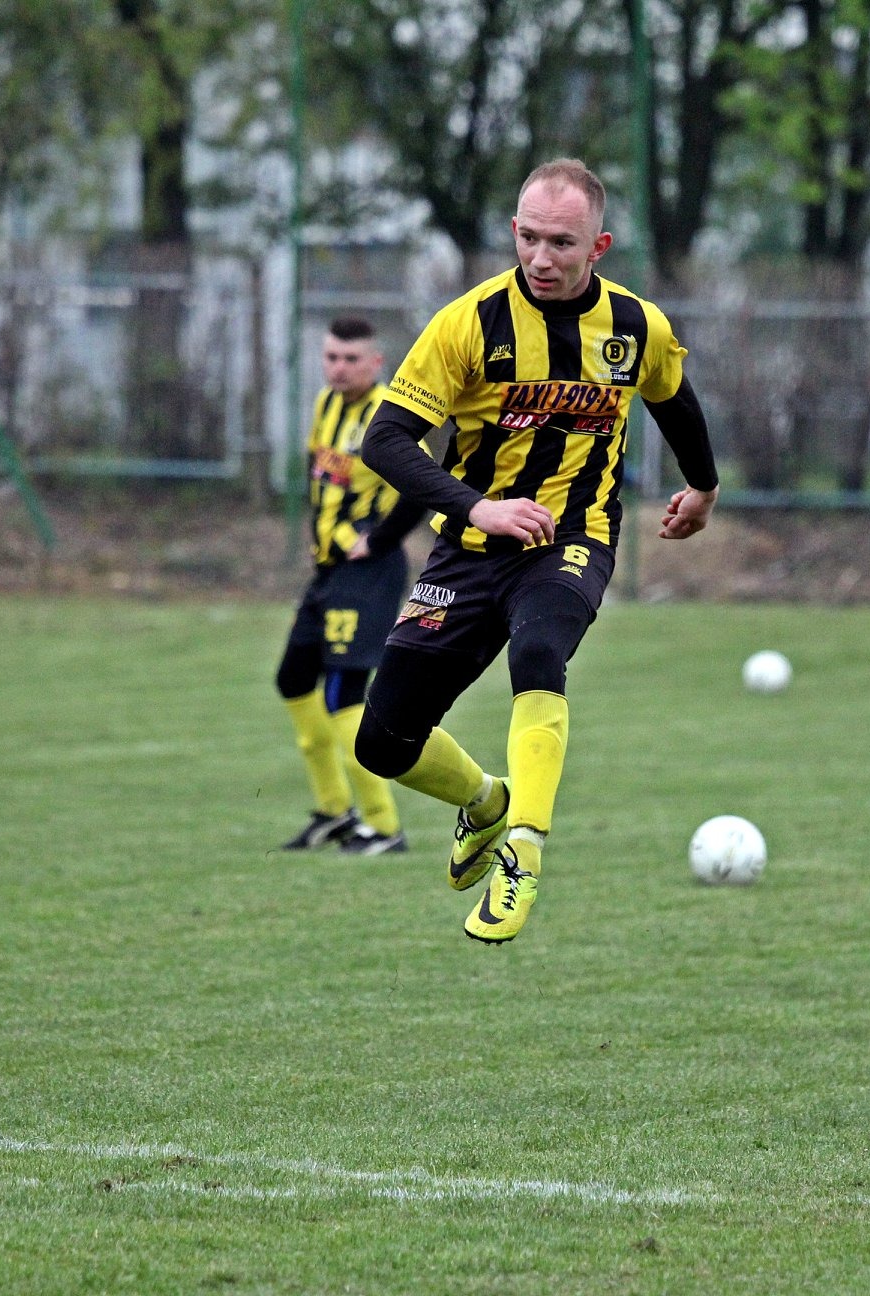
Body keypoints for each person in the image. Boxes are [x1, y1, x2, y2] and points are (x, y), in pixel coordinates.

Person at [354, 158, 721, 944]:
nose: (541, 258)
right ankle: (486, 802)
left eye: (562, 242)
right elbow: (383, 442)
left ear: (600, 246)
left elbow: (674, 400)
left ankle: (523, 847)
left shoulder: (634, 326)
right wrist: (480, 506)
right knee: (382, 744)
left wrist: (704, 487)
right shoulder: (467, 324)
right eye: (528, 237)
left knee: (540, 655)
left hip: (572, 535)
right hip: (467, 548)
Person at [275, 317, 427, 856]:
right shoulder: (325, 405)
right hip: (329, 571)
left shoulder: (386, 416)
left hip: (368, 574)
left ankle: (384, 827)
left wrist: (380, 540)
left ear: (375, 363)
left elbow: (420, 485)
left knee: (344, 695)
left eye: (349, 359)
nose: (337, 368)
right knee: (293, 680)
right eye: (330, 356)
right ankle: (334, 811)